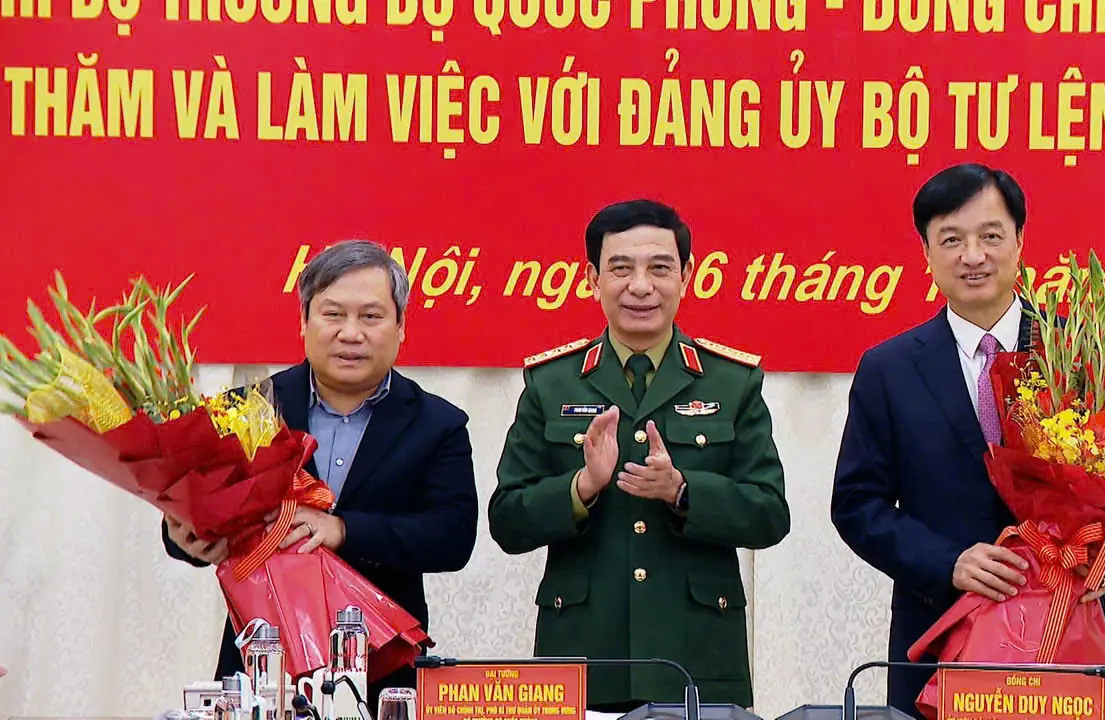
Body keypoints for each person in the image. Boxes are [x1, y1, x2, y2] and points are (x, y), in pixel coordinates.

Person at [829, 164, 1105, 718]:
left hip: (1063, 641)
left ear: (1020, 241)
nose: (972, 256)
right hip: (939, 642)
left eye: (990, 236)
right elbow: (857, 505)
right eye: (952, 240)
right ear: (926, 253)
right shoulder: (889, 369)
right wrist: (946, 561)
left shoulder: (1080, 353)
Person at [489, 199, 790, 712]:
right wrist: (581, 488)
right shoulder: (551, 382)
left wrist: (682, 491)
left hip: (696, 660)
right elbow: (507, 521)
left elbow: (770, 514)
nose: (641, 286)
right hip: (585, 656)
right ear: (593, 279)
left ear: (687, 276)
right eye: (621, 269)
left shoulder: (732, 382)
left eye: (660, 269)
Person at [162, 239, 479, 699]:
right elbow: (189, 524)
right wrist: (185, 536)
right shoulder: (246, 410)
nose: (351, 333)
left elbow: (452, 538)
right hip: (261, 665)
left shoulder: (437, 424)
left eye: (370, 316)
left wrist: (343, 530)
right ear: (304, 320)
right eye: (333, 314)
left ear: (400, 326)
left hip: (383, 670)